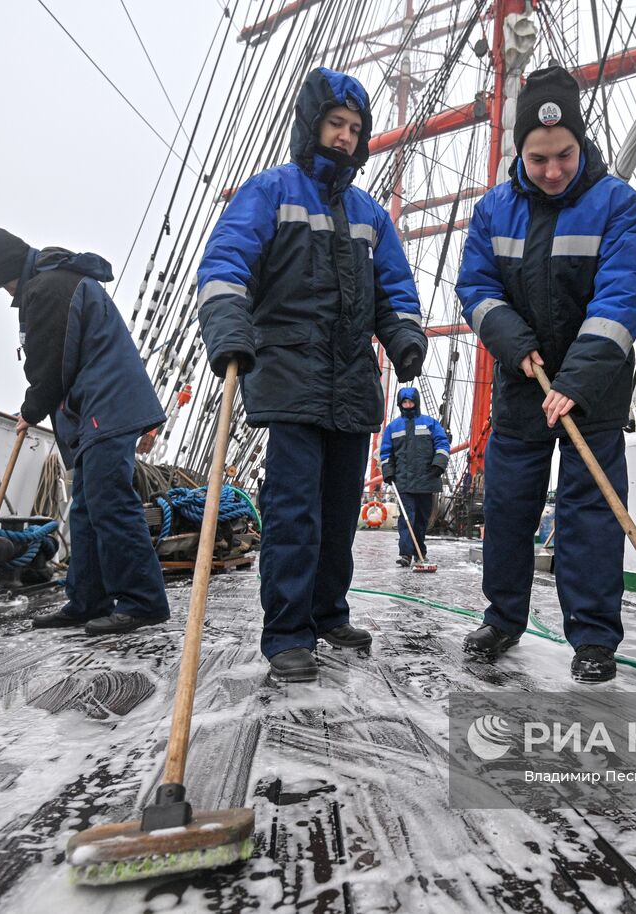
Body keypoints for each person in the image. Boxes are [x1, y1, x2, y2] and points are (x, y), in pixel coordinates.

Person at [196, 68, 426, 682]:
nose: (346, 137)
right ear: (312, 125)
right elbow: (225, 265)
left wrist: (404, 335)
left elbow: (395, 292)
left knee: (338, 508)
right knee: (295, 511)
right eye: (336, 124)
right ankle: (288, 630)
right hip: (290, 375)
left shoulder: (372, 218)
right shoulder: (271, 193)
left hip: (352, 384)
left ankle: (328, 612)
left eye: (355, 128)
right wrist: (228, 329)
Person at [455, 66, 636, 684]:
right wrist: (514, 344)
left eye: (564, 155)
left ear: (581, 142)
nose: (553, 170)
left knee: (590, 512)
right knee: (508, 508)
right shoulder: (492, 210)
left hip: (592, 392)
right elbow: (477, 289)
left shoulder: (616, 201)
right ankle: (503, 617)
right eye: (538, 158)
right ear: (519, 151)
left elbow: (621, 296)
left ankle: (593, 637)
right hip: (522, 381)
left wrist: (577, 378)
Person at [0, 227, 170, 635]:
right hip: (92, 408)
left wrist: (31, 409)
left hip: (106, 405)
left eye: (3, 284)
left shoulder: (49, 287)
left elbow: (52, 363)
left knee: (110, 503)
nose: (8, 295)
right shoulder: (52, 280)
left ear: (8, 270)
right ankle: (86, 601)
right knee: (84, 510)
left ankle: (143, 601)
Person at [378, 386, 451, 565]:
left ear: (416, 402)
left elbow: (442, 444)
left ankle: (420, 552)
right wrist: (388, 472)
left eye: (410, 402)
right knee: (407, 518)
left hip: (427, 479)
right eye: (405, 402)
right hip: (404, 482)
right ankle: (406, 554)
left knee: (421, 519)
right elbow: (386, 453)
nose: (408, 405)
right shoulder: (392, 427)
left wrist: (439, 465)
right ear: (400, 404)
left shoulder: (430, 423)